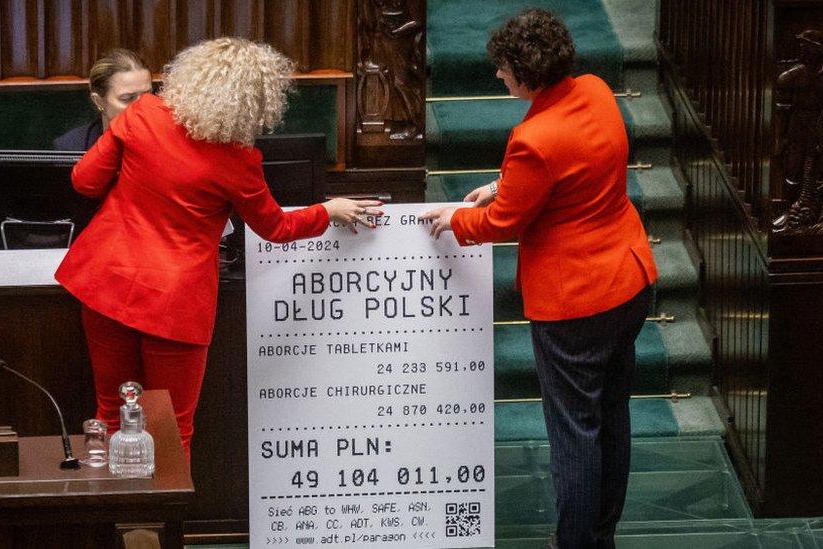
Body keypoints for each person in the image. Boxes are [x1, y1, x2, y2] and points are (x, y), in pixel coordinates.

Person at [55, 37, 381, 464]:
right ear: (255, 102)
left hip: (107, 282)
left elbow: (84, 182)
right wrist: (328, 210)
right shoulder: (238, 159)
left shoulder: (143, 113)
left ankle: (114, 525)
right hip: (174, 301)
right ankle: (162, 530)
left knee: (112, 414)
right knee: (169, 428)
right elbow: (276, 227)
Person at [420, 9, 657, 549]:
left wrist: (455, 220)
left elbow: (504, 223)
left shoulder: (533, 137)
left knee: (574, 433)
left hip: (576, 302)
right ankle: (601, 534)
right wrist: (500, 185)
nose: (498, 77)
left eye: (503, 69)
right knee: (611, 416)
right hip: (630, 278)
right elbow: (570, 175)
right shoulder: (596, 91)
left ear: (524, 74)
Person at [53, 48, 153, 151]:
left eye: (147, 96)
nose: (141, 107)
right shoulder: (72, 146)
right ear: (98, 101)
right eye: (126, 99)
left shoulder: (167, 138)